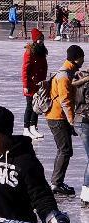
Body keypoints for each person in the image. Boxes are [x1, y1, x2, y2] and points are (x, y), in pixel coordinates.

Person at [45, 45, 83, 196]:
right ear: (76, 58)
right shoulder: (64, 76)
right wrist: (72, 120)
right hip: (57, 117)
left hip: (59, 116)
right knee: (65, 149)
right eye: (82, 57)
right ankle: (56, 183)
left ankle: (57, 182)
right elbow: (65, 100)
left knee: (64, 150)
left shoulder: (69, 72)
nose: (83, 60)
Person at [22, 28, 48, 139]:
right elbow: (25, 70)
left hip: (39, 84)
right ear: (35, 40)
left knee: (37, 106)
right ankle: (26, 129)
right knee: (30, 106)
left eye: (42, 39)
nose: (41, 41)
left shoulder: (42, 51)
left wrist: (44, 82)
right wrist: (25, 85)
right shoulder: (29, 52)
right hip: (31, 83)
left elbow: (43, 67)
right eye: (39, 39)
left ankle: (33, 127)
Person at [73, 66, 89, 206]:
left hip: (78, 120)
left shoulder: (79, 77)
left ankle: (86, 192)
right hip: (85, 122)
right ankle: (86, 192)